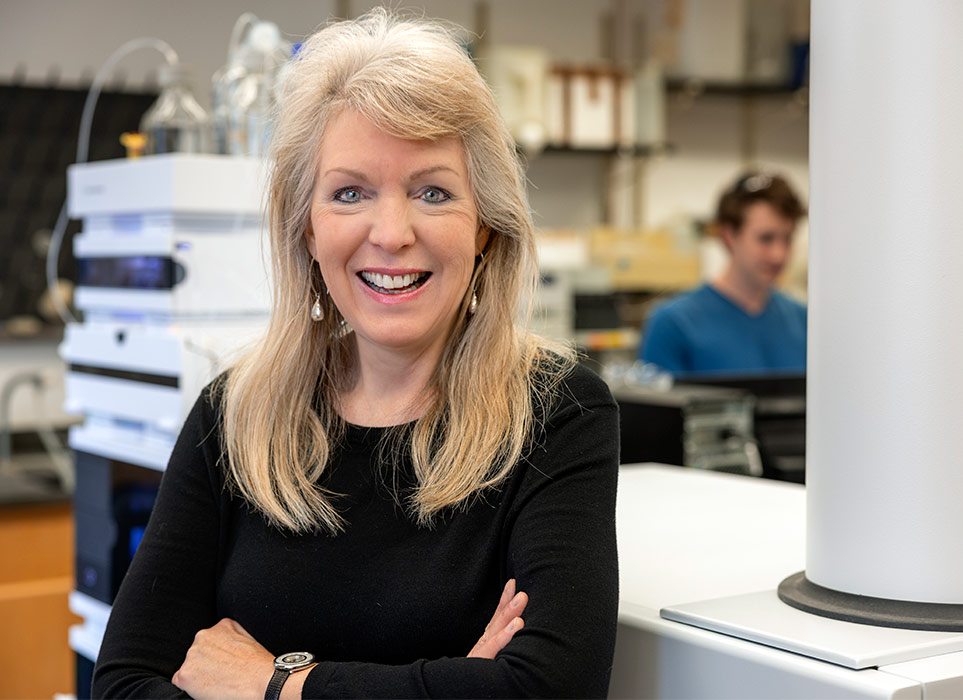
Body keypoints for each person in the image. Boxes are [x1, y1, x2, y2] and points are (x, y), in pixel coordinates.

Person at [92, 10, 620, 699]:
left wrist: (275, 684)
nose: (391, 232)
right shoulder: (235, 413)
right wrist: (446, 682)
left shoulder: (557, 411)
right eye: (350, 193)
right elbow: (123, 686)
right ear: (307, 229)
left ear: (486, 224)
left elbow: (551, 689)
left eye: (433, 191)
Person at [639, 171, 807, 376]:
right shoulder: (674, 325)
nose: (779, 255)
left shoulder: (803, 322)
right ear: (729, 235)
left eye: (787, 239)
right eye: (766, 239)